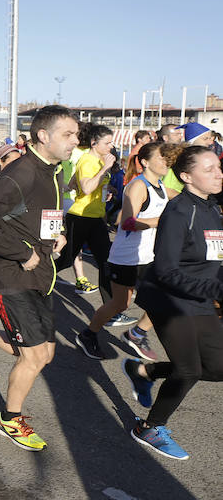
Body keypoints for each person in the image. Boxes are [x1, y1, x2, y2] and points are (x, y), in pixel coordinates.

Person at [0, 105, 79, 452]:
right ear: (43, 136)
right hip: (11, 273)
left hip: (40, 273)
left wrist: (58, 235)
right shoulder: (19, 173)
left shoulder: (55, 171)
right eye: (68, 134)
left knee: (45, 354)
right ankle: (10, 419)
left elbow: (46, 214)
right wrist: (23, 253)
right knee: (34, 357)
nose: (74, 141)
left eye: (76, 134)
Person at [123, 145, 223, 460]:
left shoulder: (211, 207)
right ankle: (150, 427)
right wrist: (217, 290)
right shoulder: (179, 211)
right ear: (186, 177)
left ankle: (145, 372)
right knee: (189, 369)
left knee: (219, 368)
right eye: (209, 169)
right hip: (167, 299)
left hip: (200, 298)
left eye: (218, 167)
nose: (218, 174)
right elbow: (165, 270)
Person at [81, 141, 171, 362]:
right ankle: (89, 334)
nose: (166, 162)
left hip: (148, 256)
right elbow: (128, 223)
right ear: (145, 162)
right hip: (127, 257)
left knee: (164, 299)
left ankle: (136, 333)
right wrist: (161, 221)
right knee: (120, 304)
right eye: (161, 157)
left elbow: (186, 198)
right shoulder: (138, 186)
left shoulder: (161, 187)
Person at [54, 124, 117, 358]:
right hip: (80, 218)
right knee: (67, 259)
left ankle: (111, 308)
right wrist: (105, 171)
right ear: (94, 143)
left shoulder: (99, 162)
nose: (111, 147)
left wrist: (107, 188)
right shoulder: (89, 161)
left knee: (106, 261)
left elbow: (82, 187)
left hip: (96, 218)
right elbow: (88, 184)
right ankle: (40, 280)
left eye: (111, 143)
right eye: (107, 143)